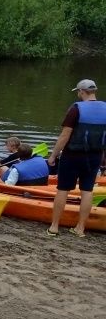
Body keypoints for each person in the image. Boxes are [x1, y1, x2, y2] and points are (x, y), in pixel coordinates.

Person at [48, 79, 106, 237]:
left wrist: (53, 155)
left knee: (63, 189)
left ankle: (54, 227)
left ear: (81, 91)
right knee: (87, 190)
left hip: (72, 155)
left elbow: (65, 135)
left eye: (78, 92)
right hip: (95, 156)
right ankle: (80, 229)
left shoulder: (76, 108)